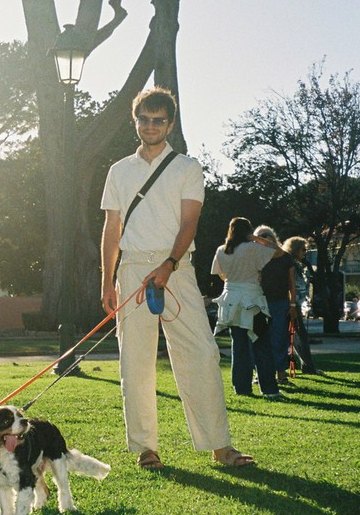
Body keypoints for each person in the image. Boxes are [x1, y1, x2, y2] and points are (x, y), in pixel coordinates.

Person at [100, 86, 254, 470]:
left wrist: (169, 264)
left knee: (201, 354)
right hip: (133, 270)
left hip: (178, 269)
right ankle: (145, 448)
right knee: (135, 360)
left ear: (170, 123)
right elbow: (111, 228)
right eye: (144, 119)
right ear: (135, 120)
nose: (151, 126)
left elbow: (190, 222)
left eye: (159, 120)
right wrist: (107, 280)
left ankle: (220, 445)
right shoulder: (119, 171)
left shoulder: (188, 168)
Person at [211, 218, 287, 400]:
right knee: (262, 344)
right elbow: (278, 252)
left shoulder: (222, 250)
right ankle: (269, 388)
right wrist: (256, 238)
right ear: (248, 231)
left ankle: (241, 387)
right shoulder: (252, 247)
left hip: (230, 299)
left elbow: (221, 274)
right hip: (251, 299)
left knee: (239, 346)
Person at [253, 225, 297, 386]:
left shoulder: (285, 257)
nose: (263, 240)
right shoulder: (256, 257)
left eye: (266, 236)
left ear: (273, 237)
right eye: (259, 237)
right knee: (259, 339)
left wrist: (293, 304)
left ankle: (281, 374)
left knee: (279, 338)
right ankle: (260, 373)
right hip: (259, 302)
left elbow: (292, 283)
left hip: (280, 303)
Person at [282, 237, 319, 374]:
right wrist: (295, 304)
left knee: (297, 336)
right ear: (295, 249)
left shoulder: (297, 264)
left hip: (294, 303)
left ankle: (305, 365)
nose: (305, 252)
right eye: (303, 249)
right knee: (300, 336)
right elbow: (294, 286)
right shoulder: (292, 265)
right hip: (293, 304)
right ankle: (307, 367)